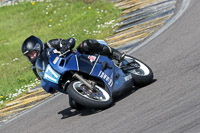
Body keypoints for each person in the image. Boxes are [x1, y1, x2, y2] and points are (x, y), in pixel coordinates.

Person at [21, 35, 124, 80]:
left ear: (38, 47)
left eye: (33, 53)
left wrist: (65, 46)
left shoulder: (50, 45)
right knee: (75, 105)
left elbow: (71, 40)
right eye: (29, 56)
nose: (32, 57)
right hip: (67, 76)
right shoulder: (36, 68)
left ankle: (114, 54)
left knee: (87, 44)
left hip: (78, 59)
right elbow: (43, 80)